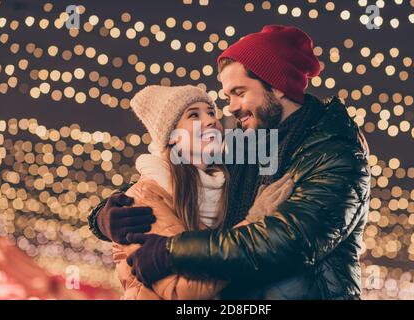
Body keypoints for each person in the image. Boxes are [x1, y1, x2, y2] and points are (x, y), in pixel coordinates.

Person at [89, 25, 371, 299]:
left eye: (239, 92)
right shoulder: (249, 144)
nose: (231, 107)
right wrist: (106, 215)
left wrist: (173, 250)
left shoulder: (336, 154)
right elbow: (175, 179)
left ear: (278, 87)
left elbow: (288, 241)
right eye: (227, 96)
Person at [112, 84, 293, 299]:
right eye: (194, 115)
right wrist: (255, 223)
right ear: (171, 136)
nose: (210, 120)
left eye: (210, 113)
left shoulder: (232, 186)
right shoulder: (146, 197)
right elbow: (182, 291)